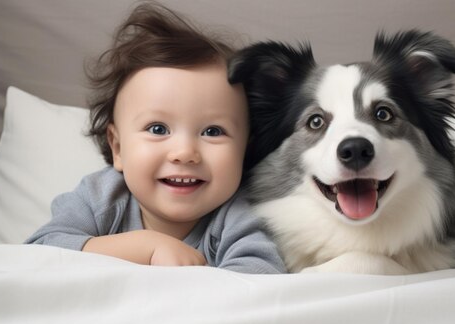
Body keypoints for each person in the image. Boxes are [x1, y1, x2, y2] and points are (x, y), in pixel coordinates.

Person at [25, 3, 286, 274]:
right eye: (158, 129)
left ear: (245, 151)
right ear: (118, 148)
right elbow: (41, 250)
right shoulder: (100, 197)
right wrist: (146, 247)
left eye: (212, 131)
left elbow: (263, 274)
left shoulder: (241, 214)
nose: (184, 152)